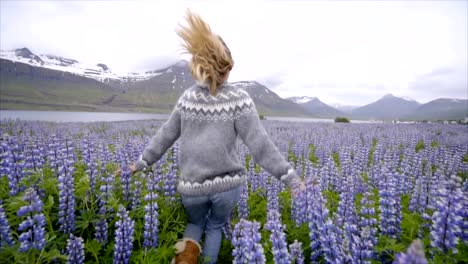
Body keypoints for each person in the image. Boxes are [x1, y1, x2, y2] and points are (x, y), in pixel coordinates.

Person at [129, 10, 304, 264]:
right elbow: (261, 145)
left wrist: (142, 162)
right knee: (214, 227)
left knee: (195, 224)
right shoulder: (239, 99)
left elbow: (165, 135)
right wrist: (291, 178)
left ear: (198, 67)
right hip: (226, 186)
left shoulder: (187, 98)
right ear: (227, 67)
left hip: (192, 188)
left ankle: (185, 260)